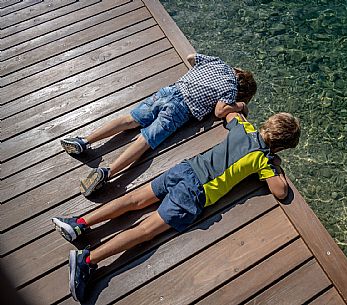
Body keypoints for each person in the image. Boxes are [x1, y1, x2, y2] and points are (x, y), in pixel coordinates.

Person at [52, 111, 300, 302]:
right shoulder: (262, 159)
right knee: (145, 231)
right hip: (194, 193)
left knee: (133, 201)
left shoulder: (244, 127)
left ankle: (80, 223)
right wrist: (276, 165)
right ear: (280, 146)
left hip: (184, 169)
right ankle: (88, 260)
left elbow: (225, 111)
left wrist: (240, 107)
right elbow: (281, 191)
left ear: (268, 123)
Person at [60, 53, 256, 196]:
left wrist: (199, 79)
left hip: (169, 91)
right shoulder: (231, 88)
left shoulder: (217, 62)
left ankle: (84, 141)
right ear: (242, 89)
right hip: (180, 110)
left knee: (129, 119)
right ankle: (107, 172)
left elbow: (190, 57)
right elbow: (220, 111)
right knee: (146, 139)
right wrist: (240, 105)